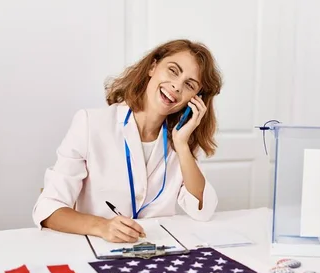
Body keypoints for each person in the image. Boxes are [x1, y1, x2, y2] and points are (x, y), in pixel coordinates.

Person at [32, 39, 223, 243]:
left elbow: (203, 211)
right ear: (152, 67)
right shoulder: (90, 124)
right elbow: (48, 208)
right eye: (173, 71)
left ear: (196, 99)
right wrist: (102, 226)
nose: (177, 86)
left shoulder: (180, 140)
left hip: (158, 251)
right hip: (97, 248)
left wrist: (183, 147)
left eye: (189, 85)